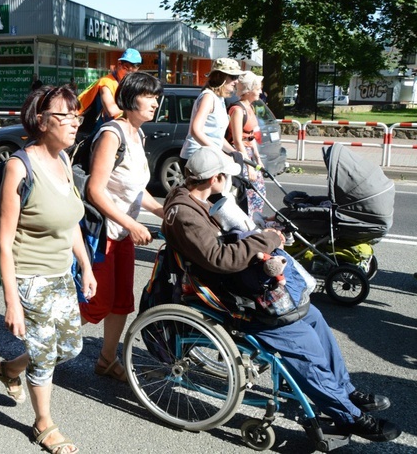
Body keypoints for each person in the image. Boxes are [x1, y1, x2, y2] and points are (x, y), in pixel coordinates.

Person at [161, 147, 401, 443]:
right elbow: (220, 259)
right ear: (216, 178)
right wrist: (268, 238)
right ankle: (349, 415)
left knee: (313, 317)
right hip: (231, 297)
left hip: (236, 281)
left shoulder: (190, 198)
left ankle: (345, 390)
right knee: (303, 347)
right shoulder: (187, 215)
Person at [0, 86, 96, 454]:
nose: (73, 123)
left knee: (69, 347)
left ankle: (9, 368)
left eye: (76, 116)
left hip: (61, 272)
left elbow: (69, 221)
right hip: (30, 276)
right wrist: (11, 302)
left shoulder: (64, 159)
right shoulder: (19, 166)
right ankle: (43, 424)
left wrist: (85, 264)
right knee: (45, 353)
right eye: (64, 116)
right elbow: (4, 241)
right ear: (41, 120)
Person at [81, 72, 165, 382]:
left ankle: (106, 359)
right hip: (102, 234)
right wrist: (132, 223)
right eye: (149, 96)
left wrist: (161, 209)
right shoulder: (112, 134)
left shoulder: (138, 134)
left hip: (122, 234)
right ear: (130, 99)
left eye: (157, 97)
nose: (155, 103)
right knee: (94, 305)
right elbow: (95, 190)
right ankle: (34, 354)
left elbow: (133, 189)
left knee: (121, 302)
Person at [179, 58, 245, 167]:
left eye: (237, 77)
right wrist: (220, 154)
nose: (236, 81)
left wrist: (234, 152)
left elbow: (215, 136)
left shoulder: (219, 99)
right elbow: (196, 131)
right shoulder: (208, 97)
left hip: (208, 156)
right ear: (220, 77)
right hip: (197, 157)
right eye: (233, 77)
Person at [227, 71, 266, 217]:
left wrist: (258, 159)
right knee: (249, 193)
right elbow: (238, 141)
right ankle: (247, 224)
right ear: (248, 90)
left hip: (248, 155)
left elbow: (250, 136)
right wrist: (249, 166)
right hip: (240, 156)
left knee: (259, 192)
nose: (260, 91)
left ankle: (254, 222)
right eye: (258, 88)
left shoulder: (250, 107)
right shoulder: (237, 110)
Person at [77, 48, 142, 130]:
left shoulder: (124, 84)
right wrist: (134, 106)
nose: (129, 72)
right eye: (126, 67)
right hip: (82, 125)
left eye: (134, 68)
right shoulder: (107, 82)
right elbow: (111, 110)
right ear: (119, 64)